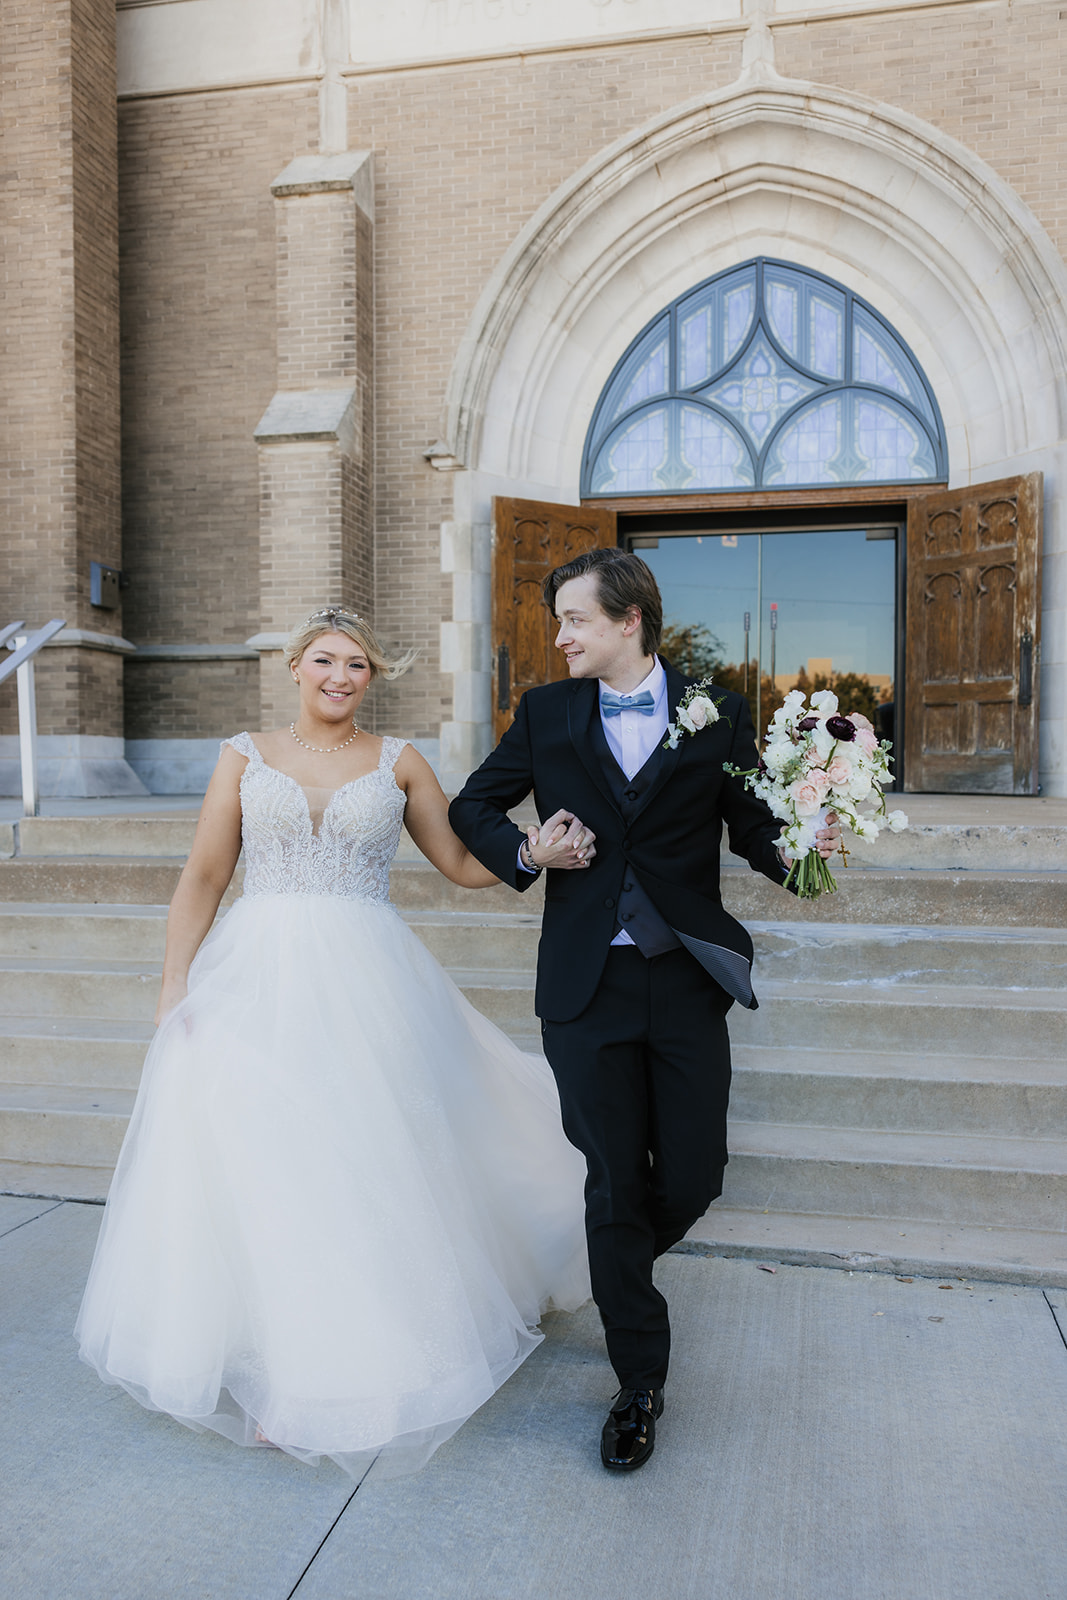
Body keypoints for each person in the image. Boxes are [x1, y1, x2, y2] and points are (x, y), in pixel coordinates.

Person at [76, 606, 592, 1481]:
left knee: (354, 1164)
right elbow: (204, 875)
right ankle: (278, 1364)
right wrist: (175, 986)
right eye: (325, 660)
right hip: (256, 980)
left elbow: (460, 864)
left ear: (372, 676)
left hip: (368, 983)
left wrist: (533, 854)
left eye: (357, 664)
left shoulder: (398, 762)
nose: (341, 677)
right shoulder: (243, 753)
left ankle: (338, 1366)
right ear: (294, 667)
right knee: (269, 1169)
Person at [449, 548, 840, 1472]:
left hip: (682, 980)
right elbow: (474, 807)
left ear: (629, 620)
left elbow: (750, 829)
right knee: (616, 1179)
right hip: (584, 988)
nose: (559, 636)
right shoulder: (547, 712)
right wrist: (530, 852)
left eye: (574, 619)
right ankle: (638, 1380)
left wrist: (807, 855)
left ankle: (608, 1264)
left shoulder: (717, 710)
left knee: (694, 1175)